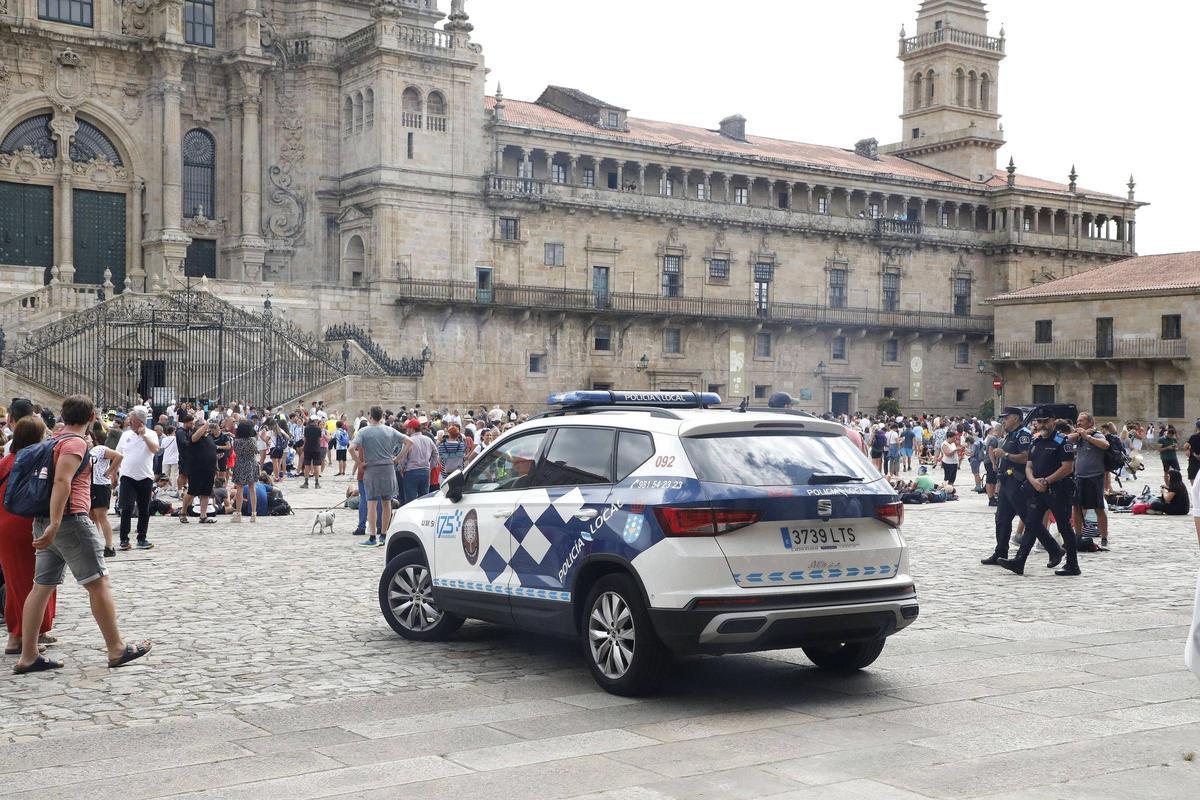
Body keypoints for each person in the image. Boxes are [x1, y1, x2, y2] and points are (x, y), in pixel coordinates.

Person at [13, 394, 151, 674]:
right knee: (98, 583)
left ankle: (28, 655)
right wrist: (54, 523)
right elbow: (62, 481)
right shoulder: (74, 442)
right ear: (91, 418)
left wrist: (49, 523)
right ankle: (116, 648)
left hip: (47, 521)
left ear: (64, 415)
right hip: (69, 521)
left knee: (40, 587)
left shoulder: (53, 440)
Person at [0, 416, 55, 657]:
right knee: (29, 584)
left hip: (7, 526)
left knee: (33, 581)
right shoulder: (31, 463)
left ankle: (37, 630)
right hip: (24, 526)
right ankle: (17, 637)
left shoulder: (5, 461)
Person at [999, 415, 1075, 577]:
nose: (1042, 425)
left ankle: (1072, 564)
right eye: (1039, 422)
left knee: (1064, 527)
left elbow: (1068, 467)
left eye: (1045, 421)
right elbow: (1029, 465)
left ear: (1053, 422)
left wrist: (1047, 481)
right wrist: (1033, 481)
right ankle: (1020, 561)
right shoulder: (1036, 441)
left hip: (1057, 490)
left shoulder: (1062, 442)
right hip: (1037, 490)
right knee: (1031, 523)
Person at [982, 407, 1034, 566]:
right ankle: (1000, 552)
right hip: (1006, 483)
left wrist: (1005, 455)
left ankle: (1052, 549)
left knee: (1029, 520)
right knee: (1002, 519)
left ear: (1016, 418)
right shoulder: (1011, 434)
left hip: (1018, 483)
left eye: (1006, 417)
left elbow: (1025, 457)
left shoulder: (1023, 434)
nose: (1003, 421)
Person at [351, 407, 404, 547]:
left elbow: (351, 448)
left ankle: (373, 536)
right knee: (387, 503)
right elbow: (410, 442)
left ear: (370, 417)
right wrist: (397, 458)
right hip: (388, 468)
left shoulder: (363, 431)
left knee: (371, 503)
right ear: (381, 416)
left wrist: (359, 463)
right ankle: (384, 535)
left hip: (372, 469)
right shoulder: (389, 430)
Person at [116, 408, 159, 550]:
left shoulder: (151, 434)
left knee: (144, 509)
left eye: (131, 419)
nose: (129, 421)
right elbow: (118, 453)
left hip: (145, 476)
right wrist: (114, 473)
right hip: (127, 475)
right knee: (126, 507)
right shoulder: (125, 435)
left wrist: (144, 437)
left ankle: (142, 538)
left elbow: (155, 450)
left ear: (139, 421)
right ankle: (124, 539)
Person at [1068, 412, 1111, 550]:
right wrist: (1081, 434)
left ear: (1090, 423)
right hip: (1079, 476)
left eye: (1082, 421)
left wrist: (1087, 436)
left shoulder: (1097, 435)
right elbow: (1067, 439)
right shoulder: (1078, 436)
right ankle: (1078, 536)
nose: (1078, 423)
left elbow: (1105, 445)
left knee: (1098, 507)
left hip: (1094, 477)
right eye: (1077, 421)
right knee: (1077, 508)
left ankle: (1104, 537)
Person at [88, 422, 122, 558]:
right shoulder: (82, 451)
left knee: (101, 516)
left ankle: (109, 546)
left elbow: (118, 456)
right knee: (91, 517)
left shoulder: (100, 449)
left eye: (87, 437)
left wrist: (110, 471)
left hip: (100, 485)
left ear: (92, 438)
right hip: (88, 485)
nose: (85, 439)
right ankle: (96, 543)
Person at [182, 418, 218, 523]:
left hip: (209, 469)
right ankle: (183, 512)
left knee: (206, 493)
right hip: (196, 469)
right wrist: (206, 424)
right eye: (202, 425)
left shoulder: (209, 437)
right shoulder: (193, 436)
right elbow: (195, 438)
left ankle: (203, 515)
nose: (206, 427)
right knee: (192, 492)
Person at [399, 418, 439, 505]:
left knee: (410, 501)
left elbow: (403, 458)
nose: (407, 430)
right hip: (425, 471)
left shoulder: (408, 441)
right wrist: (431, 466)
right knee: (424, 500)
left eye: (408, 428)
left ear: (412, 428)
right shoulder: (428, 439)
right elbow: (436, 454)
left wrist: (402, 469)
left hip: (411, 471)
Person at [230, 419, 261, 523]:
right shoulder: (252, 440)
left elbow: (235, 451)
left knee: (239, 489)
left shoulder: (236, 441)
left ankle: (238, 514)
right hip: (251, 463)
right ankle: (253, 514)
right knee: (252, 489)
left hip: (240, 464)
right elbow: (256, 451)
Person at [302, 416, 322, 489]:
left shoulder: (306, 429)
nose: (317, 421)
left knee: (307, 465)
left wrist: (303, 446)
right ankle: (317, 483)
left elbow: (305, 439)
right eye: (316, 420)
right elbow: (319, 438)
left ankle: (306, 483)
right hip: (316, 449)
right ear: (314, 421)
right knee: (316, 466)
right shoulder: (318, 429)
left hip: (307, 448)